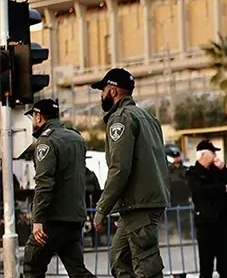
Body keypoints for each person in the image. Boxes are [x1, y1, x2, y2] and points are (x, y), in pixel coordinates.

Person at [91, 67, 171, 278]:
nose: (101, 95)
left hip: (140, 205)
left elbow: (119, 169)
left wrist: (102, 210)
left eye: (103, 89)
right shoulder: (148, 117)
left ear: (113, 91)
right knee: (120, 260)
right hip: (137, 205)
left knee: (146, 267)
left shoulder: (121, 119)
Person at [22, 99, 95, 278]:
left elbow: (44, 184)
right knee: (78, 271)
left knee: (32, 266)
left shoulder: (46, 142)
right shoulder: (76, 138)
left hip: (53, 220)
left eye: (33, 118)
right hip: (75, 218)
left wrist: (37, 220)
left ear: (39, 117)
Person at [186, 140, 227, 278]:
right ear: (205, 154)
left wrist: (223, 169)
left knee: (225, 266)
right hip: (206, 225)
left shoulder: (217, 171)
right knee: (206, 266)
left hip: (223, 223)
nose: (215, 155)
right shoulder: (193, 173)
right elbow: (201, 191)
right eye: (213, 152)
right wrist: (221, 188)